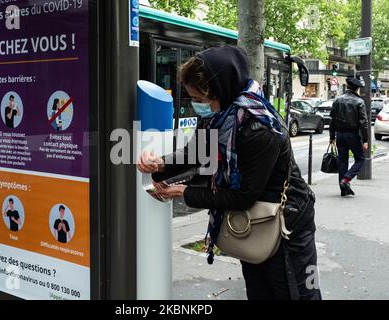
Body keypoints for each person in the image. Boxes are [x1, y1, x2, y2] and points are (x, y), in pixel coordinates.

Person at [137, 45, 321, 300]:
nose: (198, 106)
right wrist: (160, 164)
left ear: (221, 89)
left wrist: (184, 192)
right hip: (254, 222)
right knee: (259, 293)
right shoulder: (218, 115)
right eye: (193, 99)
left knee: (296, 294)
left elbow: (242, 196)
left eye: (201, 99)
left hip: (286, 224)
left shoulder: (258, 126)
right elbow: (197, 152)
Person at [329, 76, 369, 197]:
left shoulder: (338, 100)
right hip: (352, 135)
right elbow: (363, 123)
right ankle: (346, 180)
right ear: (357, 88)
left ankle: (343, 189)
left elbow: (332, 120)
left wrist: (332, 136)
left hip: (340, 135)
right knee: (360, 159)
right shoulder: (359, 102)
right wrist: (365, 140)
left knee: (343, 161)